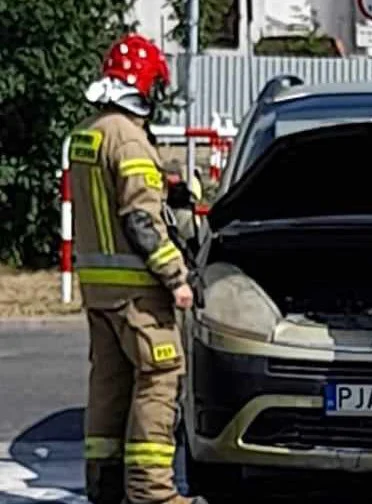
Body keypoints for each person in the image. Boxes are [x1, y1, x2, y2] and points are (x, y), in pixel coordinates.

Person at [69, 33, 206, 504]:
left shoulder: (88, 132)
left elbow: (108, 204)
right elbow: (140, 220)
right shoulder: (129, 138)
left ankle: (104, 487)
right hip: (138, 294)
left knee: (108, 384)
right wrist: (177, 278)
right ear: (145, 86)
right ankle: (153, 494)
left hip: (99, 291)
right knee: (158, 382)